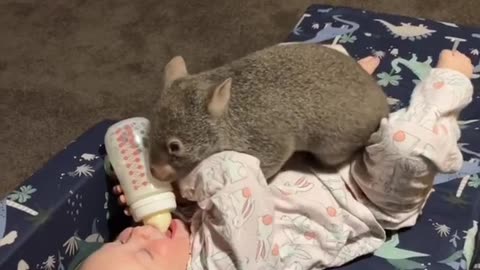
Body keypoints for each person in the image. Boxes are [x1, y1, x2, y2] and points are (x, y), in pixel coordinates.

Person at [79, 48, 474, 270]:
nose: (137, 233)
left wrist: (158, 197)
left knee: (282, 82)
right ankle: (449, 83)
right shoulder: (230, 266)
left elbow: (208, 204)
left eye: (122, 239)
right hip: (369, 197)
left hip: (307, 160)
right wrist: (179, 181)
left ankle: (345, 75)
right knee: (406, 143)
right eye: (143, 251)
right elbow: (236, 173)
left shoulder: (182, 243)